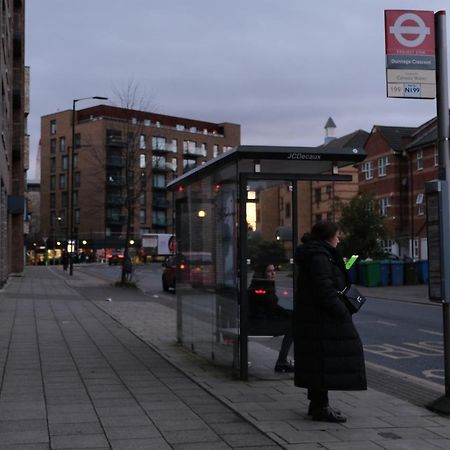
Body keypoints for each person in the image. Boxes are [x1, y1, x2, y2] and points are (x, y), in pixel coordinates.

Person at [294, 221, 366, 423]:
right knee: (322, 361)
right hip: (322, 319)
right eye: (337, 235)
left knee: (319, 361)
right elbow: (324, 289)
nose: (339, 239)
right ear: (328, 237)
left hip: (316, 318)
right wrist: (342, 311)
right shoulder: (319, 256)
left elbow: (338, 275)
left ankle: (317, 404)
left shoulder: (321, 254)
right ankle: (320, 407)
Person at [248, 263, 294, 373]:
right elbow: (270, 307)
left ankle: (282, 361)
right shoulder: (261, 287)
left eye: (274, 270)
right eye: (269, 271)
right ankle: (282, 361)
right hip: (258, 324)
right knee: (293, 327)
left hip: (260, 321)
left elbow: (272, 308)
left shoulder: (265, 285)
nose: (273, 273)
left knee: (293, 322)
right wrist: (287, 314)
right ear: (262, 274)